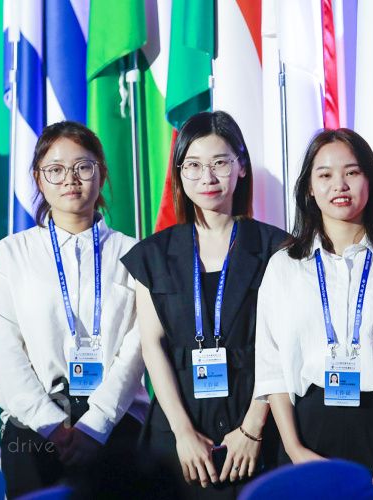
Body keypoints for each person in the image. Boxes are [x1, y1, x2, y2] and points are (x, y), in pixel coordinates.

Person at [254, 128, 373, 498]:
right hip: (306, 436)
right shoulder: (283, 267)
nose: (339, 184)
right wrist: (294, 450)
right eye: (325, 174)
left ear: (371, 180)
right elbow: (272, 370)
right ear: (309, 188)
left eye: (352, 172)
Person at [122, 111, 288, 499]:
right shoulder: (152, 255)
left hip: (259, 426)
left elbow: (282, 347)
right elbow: (152, 346)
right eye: (193, 166)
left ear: (241, 166)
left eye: (219, 163)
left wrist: (252, 428)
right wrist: (182, 432)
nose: (207, 178)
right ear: (179, 173)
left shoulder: (277, 249)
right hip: (178, 430)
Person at [0, 121, 149, 499]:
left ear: (101, 173)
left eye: (83, 167)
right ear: (38, 179)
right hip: (34, 428)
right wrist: (52, 426)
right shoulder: (12, 255)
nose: (70, 179)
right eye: (55, 170)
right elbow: (7, 357)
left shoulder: (133, 253)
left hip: (117, 421)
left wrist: (96, 425)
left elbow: (138, 350)